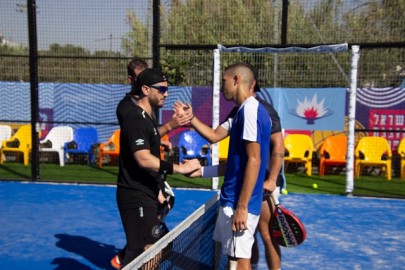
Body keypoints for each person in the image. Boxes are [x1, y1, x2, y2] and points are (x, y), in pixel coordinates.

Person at [180, 64, 285, 269]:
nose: (221, 87)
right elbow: (233, 157)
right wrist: (203, 171)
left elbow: (255, 160)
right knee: (235, 258)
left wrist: (242, 207)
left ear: (236, 80)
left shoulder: (252, 111)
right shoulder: (240, 112)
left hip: (241, 200)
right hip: (233, 199)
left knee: (245, 253)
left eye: (224, 81)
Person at [114, 68, 201, 269]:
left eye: (167, 89)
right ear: (145, 89)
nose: (166, 94)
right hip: (135, 196)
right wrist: (179, 168)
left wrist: (158, 189)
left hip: (145, 193)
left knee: (143, 251)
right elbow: (143, 159)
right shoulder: (135, 118)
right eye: (161, 89)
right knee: (154, 249)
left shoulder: (147, 118)